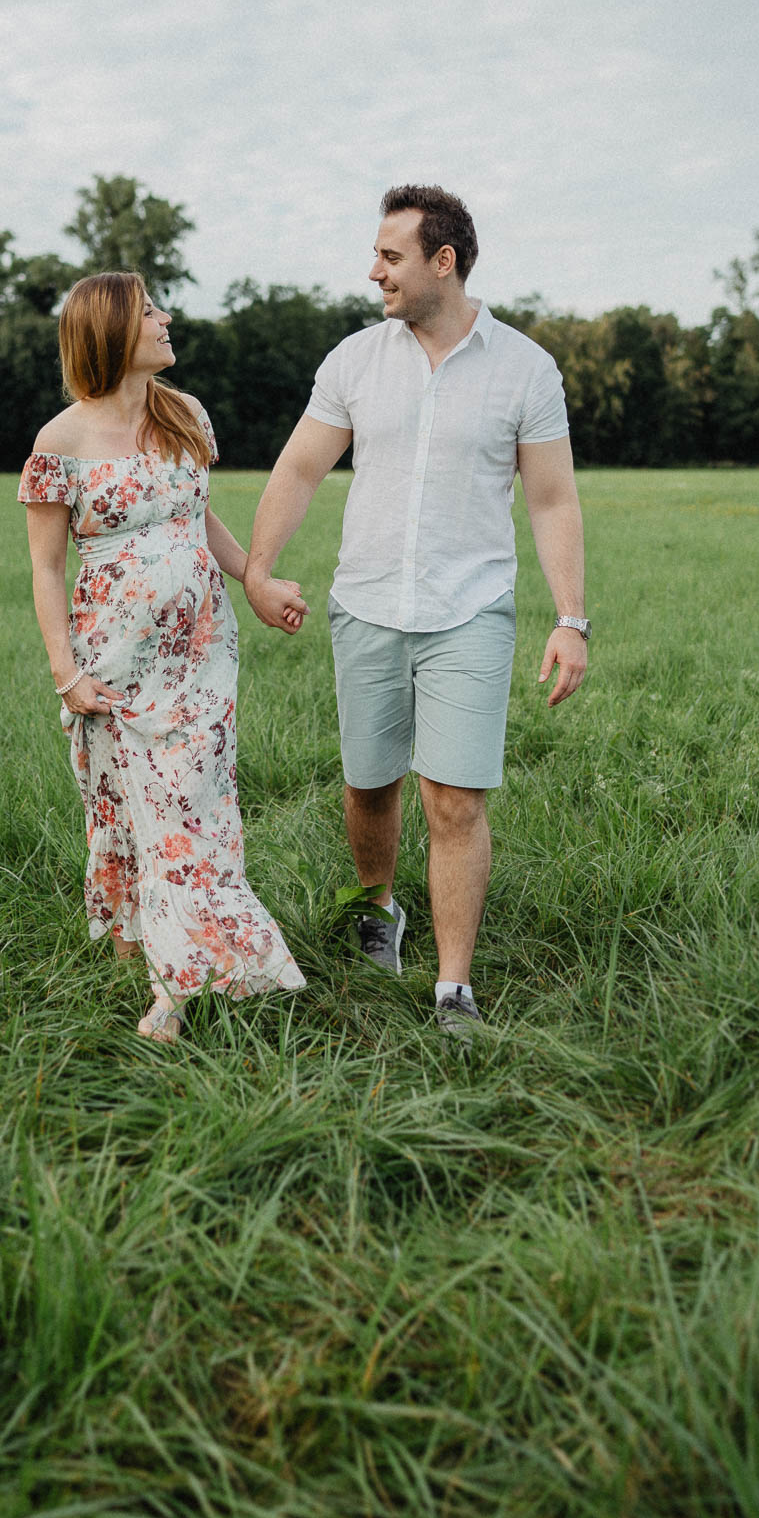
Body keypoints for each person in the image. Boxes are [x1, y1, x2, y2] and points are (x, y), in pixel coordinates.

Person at [244, 185, 589, 1038]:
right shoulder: (355, 361)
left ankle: (453, 988)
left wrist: (570, 618)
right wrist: (259, 570)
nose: (374, 272)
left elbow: (551, 499)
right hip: (365, 605)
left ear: (444, 261)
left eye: (390, 256)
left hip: (470, 611)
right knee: (369, 786)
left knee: (455, 802)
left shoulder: (525, 369)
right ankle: (378, 908)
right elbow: (299, 469)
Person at [19, 271, 307, 1043]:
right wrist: (66, 674)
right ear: (112, 330)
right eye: (150, 311)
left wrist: (255, 581)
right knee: (122, 805)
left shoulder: (185, 415)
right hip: (112, 660)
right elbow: (46, 569)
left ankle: (174, 989)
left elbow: (200, 517)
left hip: (201, 652)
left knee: (192, 806)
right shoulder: (59, 442)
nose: (166, 318)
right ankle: (138, 946)